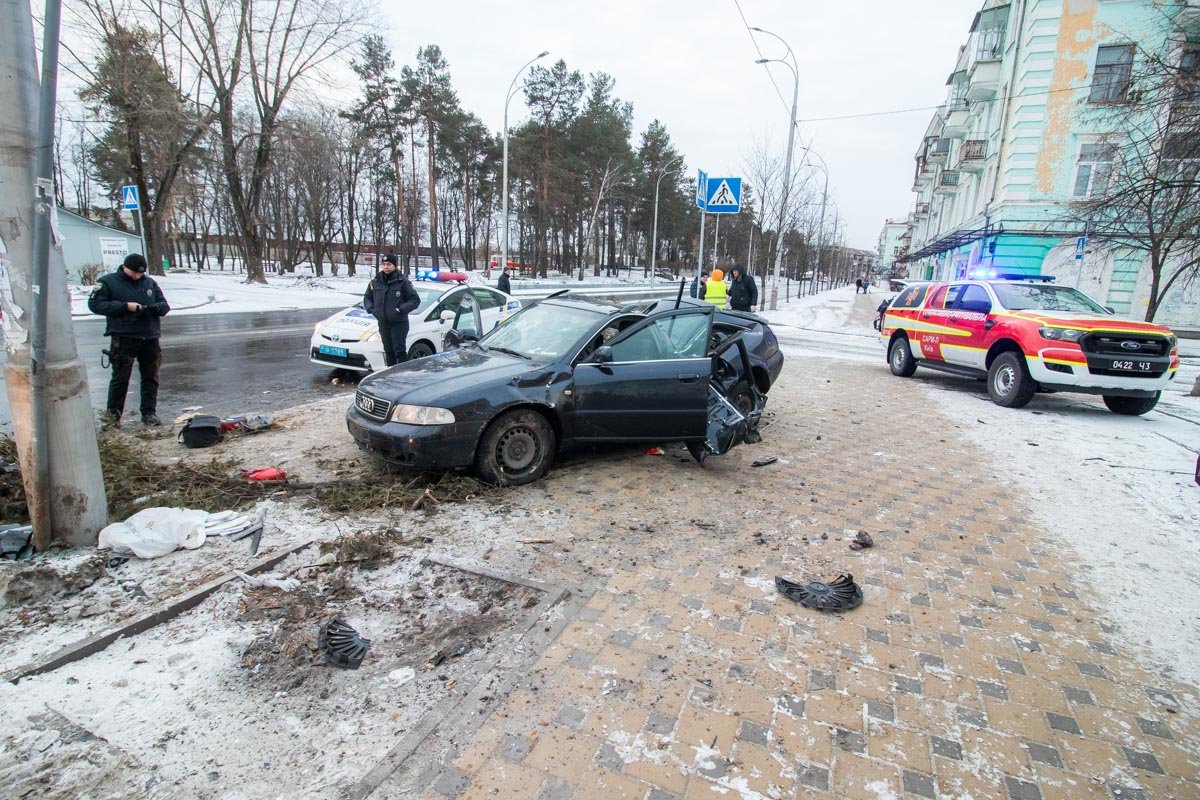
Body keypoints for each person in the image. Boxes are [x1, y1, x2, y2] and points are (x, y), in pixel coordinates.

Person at [88, 253, 170, 428]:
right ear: (125, 267)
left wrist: (155, 308)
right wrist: (125, 307)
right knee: (120, 379)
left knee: (151, 377)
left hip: (150, 337)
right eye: (134, 272)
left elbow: (165, 305)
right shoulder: (108, 282)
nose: (138, 276)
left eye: (141, 273)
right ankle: (113, 418)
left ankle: (149, 413)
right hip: (124, 337)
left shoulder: (149, 283)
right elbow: (95, 305)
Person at [364, 253, 421, 366]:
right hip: (383, 322)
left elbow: (415, 300)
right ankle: (390, 376)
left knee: (399, 351)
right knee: (388, 351)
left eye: (389, 264)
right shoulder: (376, 282)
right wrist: (372, 309)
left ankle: (402, 375)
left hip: (399, 323)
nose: (386, 267)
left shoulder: (402, 281)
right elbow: (367, 297)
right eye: (384, 264)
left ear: (395, 265)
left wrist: (400, 309)